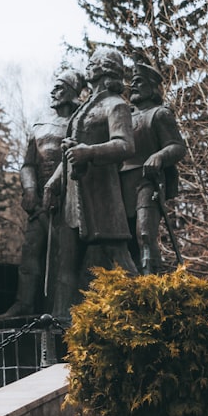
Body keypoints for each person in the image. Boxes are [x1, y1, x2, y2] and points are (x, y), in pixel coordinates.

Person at [44, 48, 138, 318]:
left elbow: (125, 145)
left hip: (102, 196)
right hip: (74, 199)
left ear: (106, 69)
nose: (88, 66)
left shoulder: (116, 105)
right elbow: (71, 154)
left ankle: (144, 312)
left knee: (119, 259)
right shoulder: (87, 106)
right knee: (66, 267)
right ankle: (60, 326)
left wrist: (89, 152)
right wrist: (53, 183)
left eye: (94, 62)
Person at [0, 69, 86, 318]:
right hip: (39, 203)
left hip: (68, 202)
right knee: (31, 251)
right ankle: (23, 303)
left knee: (63, 257)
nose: (52, 91)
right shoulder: (39, 124)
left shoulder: (79, 122)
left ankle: (63, 310)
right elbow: (27, 164)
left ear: (71, 93)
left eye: (59, 87)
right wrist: (28, 190)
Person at [119, 62, 186, 274]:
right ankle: (130, 284)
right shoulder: (122, 117)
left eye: (139, 82)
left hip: (147, 183)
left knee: (145, 233)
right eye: (132, 83)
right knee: (124, 238)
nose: (133, 86)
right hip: (121, 184)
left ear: (151, 87)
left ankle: (151, 281)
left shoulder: (160, 114)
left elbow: (177, 146)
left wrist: (159, 156)